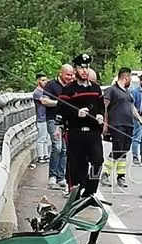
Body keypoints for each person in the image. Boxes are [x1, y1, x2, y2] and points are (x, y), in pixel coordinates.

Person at [57, 54, 105, 197]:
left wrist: (100, 115)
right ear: (76, 70)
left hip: (94, 132)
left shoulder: (96, 88)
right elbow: (61, 108)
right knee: (77, 164)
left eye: (87, 67)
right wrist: (76, 112)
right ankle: (76, 191)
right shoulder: (69, 89)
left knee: (98, 161)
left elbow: (101, 106)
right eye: (81, 68)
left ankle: (90, 191)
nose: (84, 71)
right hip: (76, 131)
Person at [101, 67, 142, 187]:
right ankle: (105, 174)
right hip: (117, 124)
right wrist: (105, 123)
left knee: (124, 150)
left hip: (128, 125)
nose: (130, 80)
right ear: (125, 77)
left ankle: (121, 176)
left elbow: (132, 108)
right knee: (117, 149)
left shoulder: (128, 93)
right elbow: (104, 107)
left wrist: (139, 119)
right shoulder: (111, 90)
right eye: (130, 77)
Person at [42, 64, 73, 189]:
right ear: (61, 73)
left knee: (65, 149)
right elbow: (44, 101)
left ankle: (61, 177)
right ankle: (52, 176)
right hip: (53, 120)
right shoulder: (51, 85)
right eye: (67, 75)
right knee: (57, 146)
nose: (70, 77)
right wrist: (59, 103)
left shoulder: (71, 86)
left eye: (71, 75)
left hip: (67, 122)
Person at [33, 73, 50, 164]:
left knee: (46, 138)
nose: (45, 82)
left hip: (46, 117)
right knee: (41, 138)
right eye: (43, 80)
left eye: (46, 80)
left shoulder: (45, 91)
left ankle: (45, 155)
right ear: (38, 81)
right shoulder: (37, 92)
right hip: (41, 118)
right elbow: (45, 102)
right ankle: (40, 156)